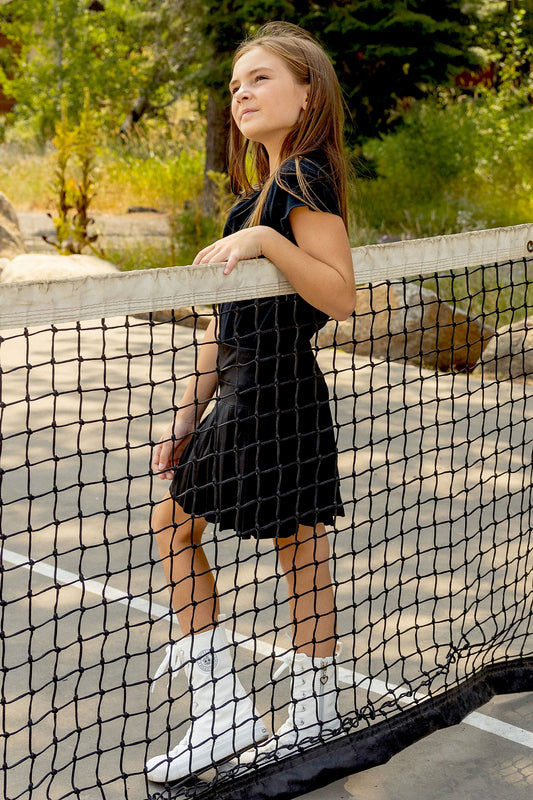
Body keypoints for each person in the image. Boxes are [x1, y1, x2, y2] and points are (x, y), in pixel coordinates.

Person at [146, 21, 356, 784]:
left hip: (274, 388)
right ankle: (285, 716)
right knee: (289, 545)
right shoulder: (249, 201)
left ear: (307, 94)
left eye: (260, 78)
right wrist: (183, 418)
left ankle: (255, 714)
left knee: (205, 531)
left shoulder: (303, 179)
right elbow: (222, 326)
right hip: (247, 387)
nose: (241, 93)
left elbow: (340, 296)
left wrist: (268, 244)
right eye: (235, 84)